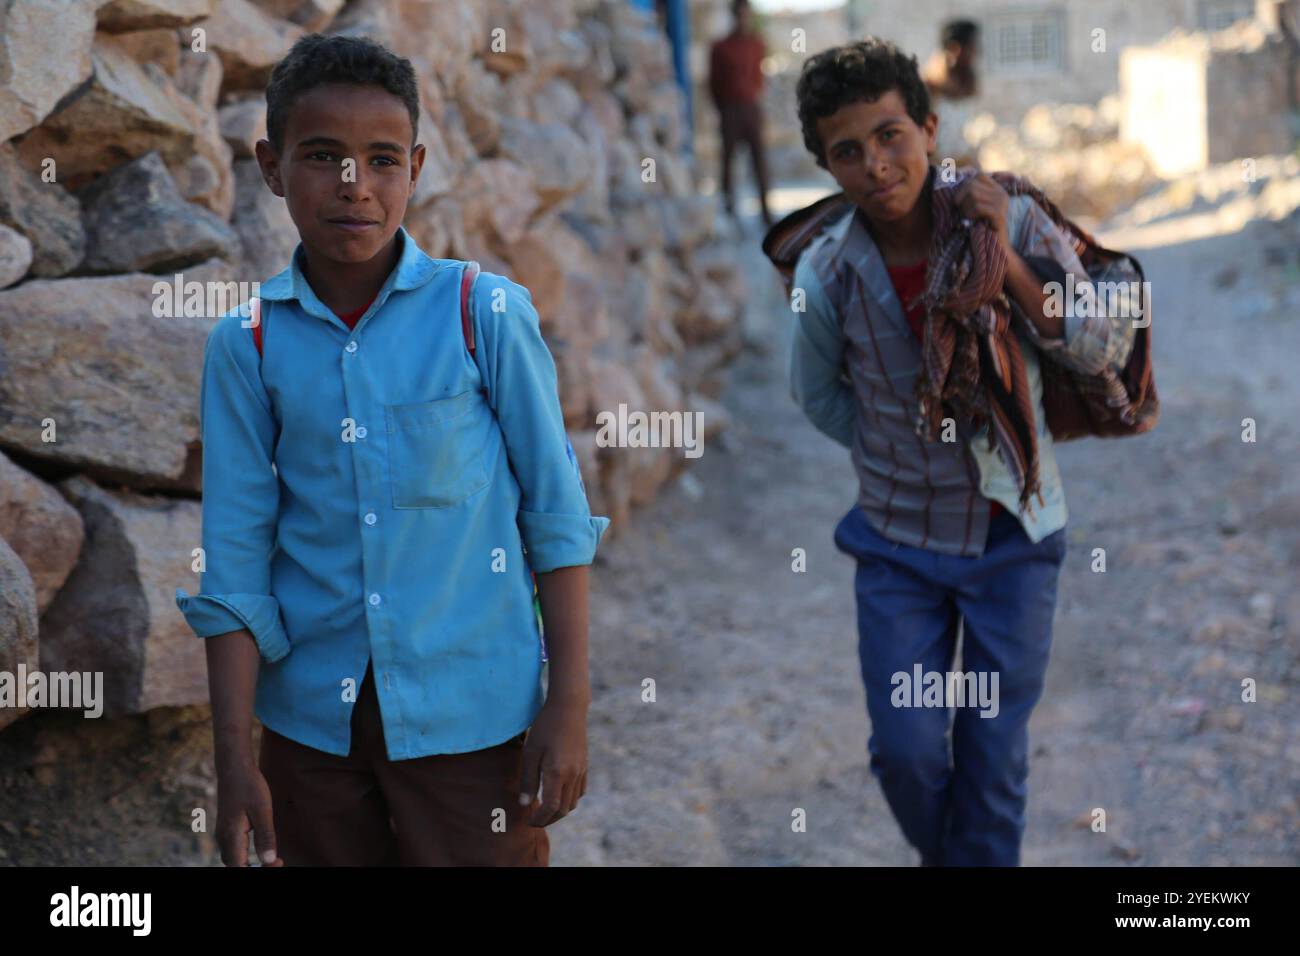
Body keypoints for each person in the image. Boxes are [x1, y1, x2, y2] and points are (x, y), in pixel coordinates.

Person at [174, 33, 609, 867]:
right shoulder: (249, 343)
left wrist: (570, 704)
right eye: (323, 157)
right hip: (312, 736)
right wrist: (235, 760)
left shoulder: (482, 315)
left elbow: (554, 517)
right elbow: (233, 562)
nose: (354, 187)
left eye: (380, 160)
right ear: (270, 167)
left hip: (472, 722)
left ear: (414, 167)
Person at [786, 38, 1134, 865]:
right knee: (906, 750)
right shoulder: (828, 271)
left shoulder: (1007, 216)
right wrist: (899, 452)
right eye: (848, 151)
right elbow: (822, 397)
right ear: (826, 165)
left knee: (991, 751)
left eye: (890, 135)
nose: (876, 165)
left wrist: (1006, 260)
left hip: (1014, 535)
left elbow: (1099, 347)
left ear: (930, 128)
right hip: (899, 546)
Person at [709, 0, 774, 229]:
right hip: (730, 110)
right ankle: (729, 210)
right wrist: (724, 111)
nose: (744, 20)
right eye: (740, 15)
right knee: (728, 162)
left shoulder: (757, 44)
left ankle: (765, 212)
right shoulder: (720, 47)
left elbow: (759, 77)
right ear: (734, 16)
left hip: (751, 109)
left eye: (747, 15)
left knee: (760, 162)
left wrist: (756, 103)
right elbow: (714, 83)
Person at [922, 19, 981, 168]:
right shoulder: (929, 90)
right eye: (972, 46)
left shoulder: (966, 84)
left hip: (964, 169)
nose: (977, 52)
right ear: (956, 48)